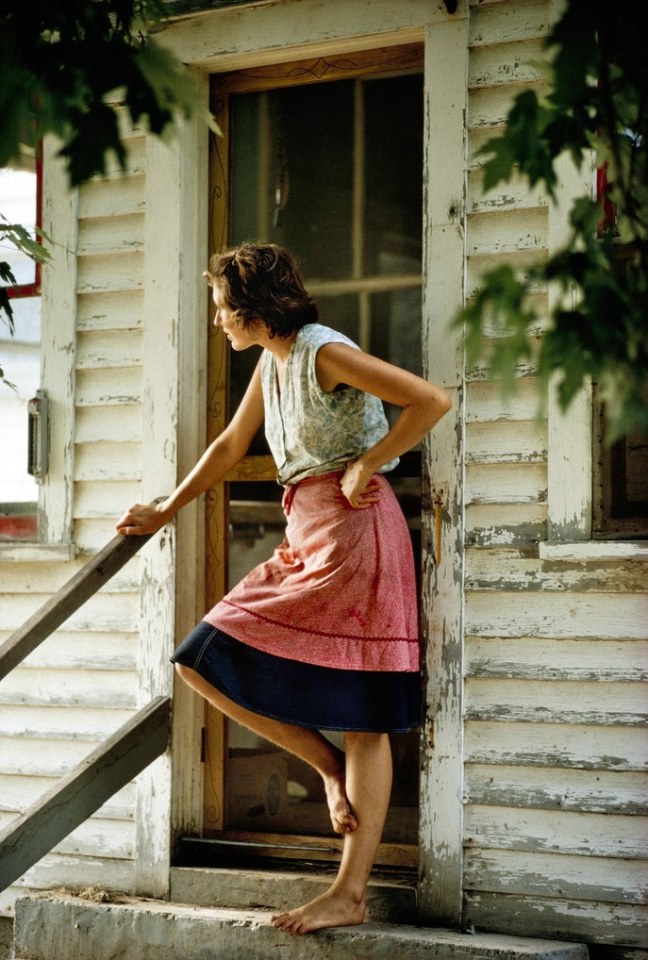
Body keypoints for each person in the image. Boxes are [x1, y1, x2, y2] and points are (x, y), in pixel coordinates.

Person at [116, 242, 451, 936]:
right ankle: (327, 768)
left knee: (364, 714)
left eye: (221, 307)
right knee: (200, 658)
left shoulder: (323, 351)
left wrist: (369, 462)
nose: (217, 320)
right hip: (307, 536)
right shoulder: (272, 362)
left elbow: (429, 400)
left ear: (251, 307)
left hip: (358, 534)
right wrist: (165, 509)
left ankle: (348, 892)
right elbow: (230, 446)